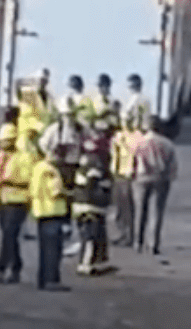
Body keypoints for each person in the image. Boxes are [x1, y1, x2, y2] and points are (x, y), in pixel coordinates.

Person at [0, 121, 32, 282]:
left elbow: (27, 178)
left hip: (18, 200)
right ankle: (14, 266)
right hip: (1, 200)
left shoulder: (23, 157)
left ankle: (3, 267)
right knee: (8, 235)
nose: (4, 143)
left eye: (7, 140)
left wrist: (6, 179)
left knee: (9, 234)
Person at [133, 123, 179, 255]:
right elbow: (173, 164)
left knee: (140, 211)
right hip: (160, 179)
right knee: (156, 212)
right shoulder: (167, 144)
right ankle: (153, 244)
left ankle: (138, 242)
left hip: (141, 179)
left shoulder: (140, 142)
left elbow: (133, 161)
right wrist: (170, 177)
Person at [29, 146, 69, 288]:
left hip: (42, 212)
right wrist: (68, 193)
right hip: (52, 211)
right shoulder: (49, 170)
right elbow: (55, 191)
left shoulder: (38, 168)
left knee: (45, 249)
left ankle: (43, 279)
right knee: (53, 250)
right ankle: (51, 280)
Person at [72, 153, 111, 275]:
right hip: (92, 208)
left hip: (82, 207)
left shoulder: (81, 172)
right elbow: (94, 191)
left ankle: (90, 262)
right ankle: (86, 264)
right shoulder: (96, 173)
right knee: (91, 237)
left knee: (89, 236)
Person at [110, 109, 140, 247]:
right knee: (119, 207)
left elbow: (135, 153)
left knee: (129, 208)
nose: (125, 123)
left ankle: (130, 235)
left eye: (128, 120)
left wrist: (123, 142)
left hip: (130, 175)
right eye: (123, 120)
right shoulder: (118, 135)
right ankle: (122, 233)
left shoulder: (136, 136)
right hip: (118, 174)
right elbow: (114, 154)